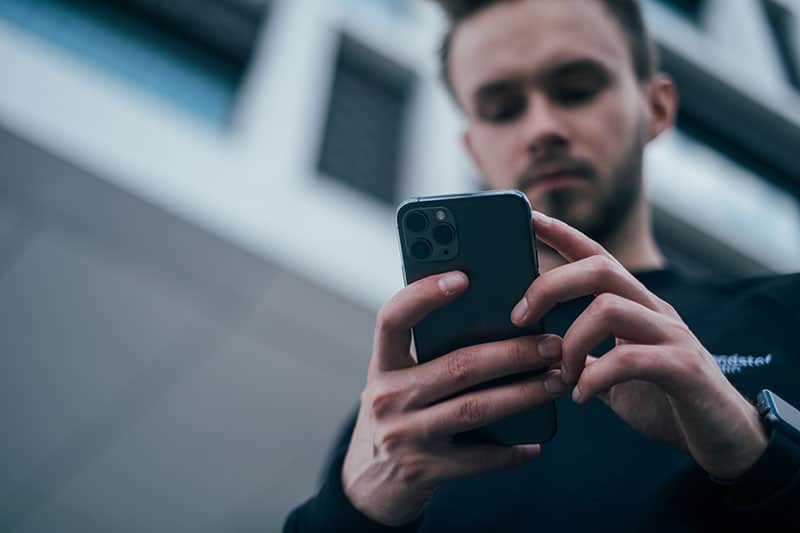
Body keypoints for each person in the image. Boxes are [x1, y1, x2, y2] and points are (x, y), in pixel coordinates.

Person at [284, 0, 800, 530]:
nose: (542, 128)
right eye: (503, 109)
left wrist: (756, 449)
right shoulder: (405, 413)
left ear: (656, 107)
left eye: (576, 90)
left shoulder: (789, 315)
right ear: (474, 150)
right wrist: (352, 510)